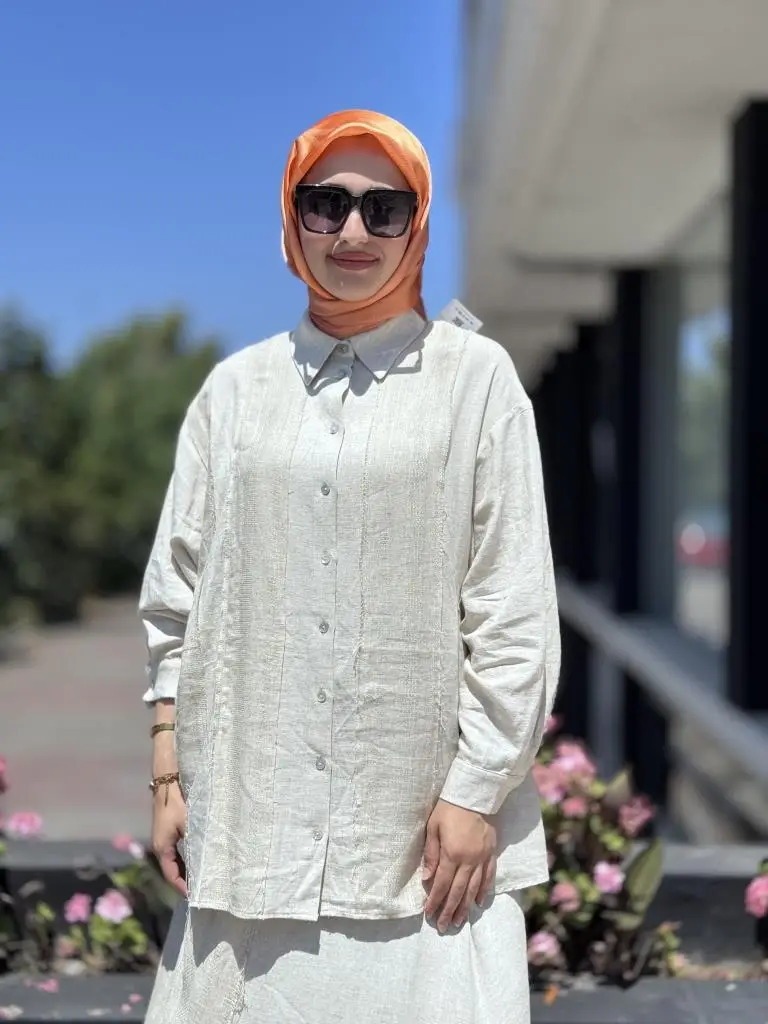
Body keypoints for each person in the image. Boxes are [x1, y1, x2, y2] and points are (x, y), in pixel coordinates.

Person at [139, 109, 560, 1024]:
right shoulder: (233, 393)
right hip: (252, 839)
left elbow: (513, 604)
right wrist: (169, 774)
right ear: (291, 221)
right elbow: (176, 599)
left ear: (419, 223)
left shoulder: (476, 381)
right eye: (325, 204)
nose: (355, 230)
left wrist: (477, 791)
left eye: (386, 207)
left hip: (424, 853)